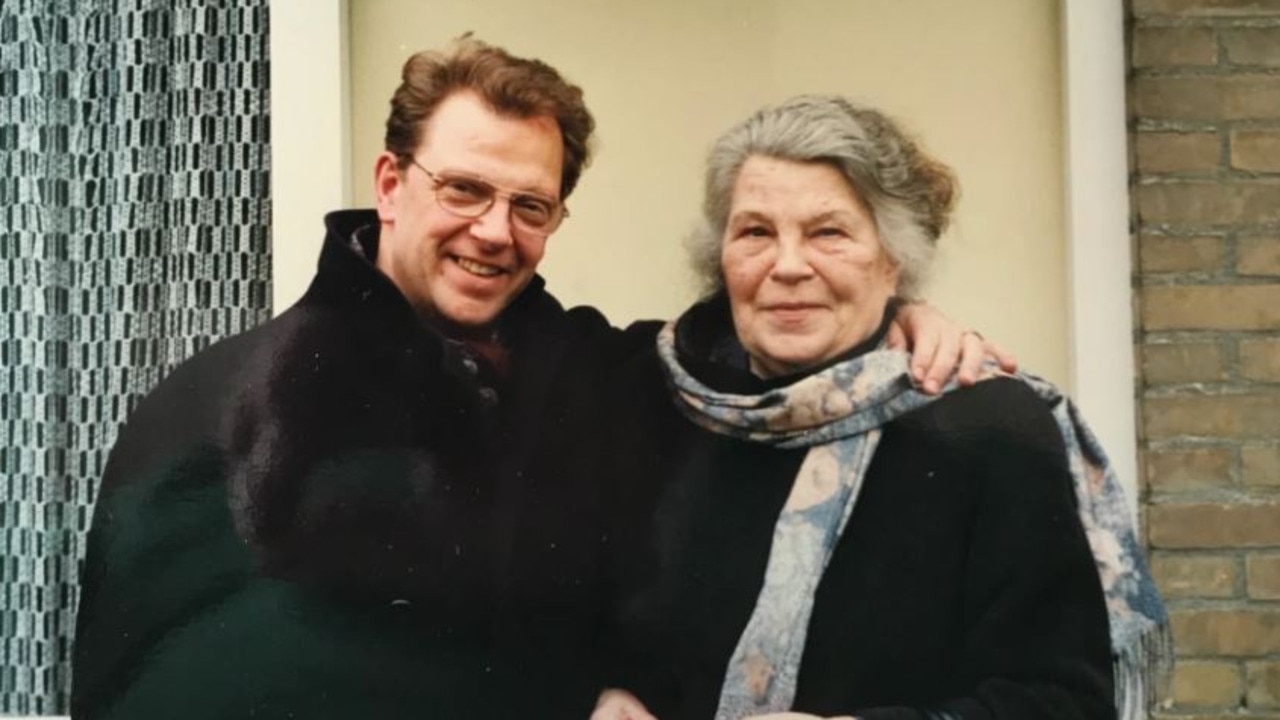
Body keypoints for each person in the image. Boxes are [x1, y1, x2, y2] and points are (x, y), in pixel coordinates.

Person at [71, 39, 1009, 719]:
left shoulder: (588, 370)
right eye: (465, 190)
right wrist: (570, 701)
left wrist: (892, 317)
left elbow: (763, 347)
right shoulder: (235, 401)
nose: (494, 231)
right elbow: (224, 674)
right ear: (391, 183)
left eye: (530, 205)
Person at [595, 96, 1169, 720]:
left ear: (893, 261)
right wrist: (611, 690)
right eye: (756, 232)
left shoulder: (989, 431)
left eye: (829, 233)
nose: (788, 266)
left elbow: (1062, 702)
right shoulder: (653, 399)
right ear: (720, 257)